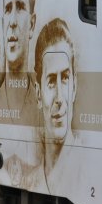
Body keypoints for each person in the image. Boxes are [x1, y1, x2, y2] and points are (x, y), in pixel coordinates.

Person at [0, 0, 42, 188]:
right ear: (2, 20)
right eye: (8, 9)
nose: (12, 21)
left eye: (20, 8)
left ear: (31, 24)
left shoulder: (43, 107)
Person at [34, 18, 79, 194]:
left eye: (65, 78)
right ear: (38, 93)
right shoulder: (33, 177)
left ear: (75, 86)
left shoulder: (85, 169)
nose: (59, 98)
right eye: (51, 82)